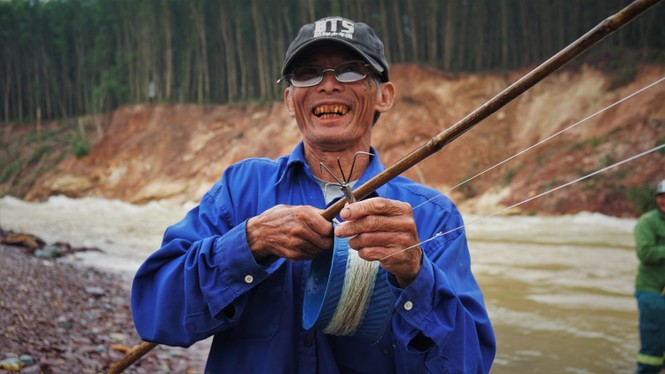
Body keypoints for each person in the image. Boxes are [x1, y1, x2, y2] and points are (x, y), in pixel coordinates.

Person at [131, 16, 495, 373]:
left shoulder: (432, 215)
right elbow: (153, 312)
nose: (329, 84)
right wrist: (248, 244)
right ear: (290, 100)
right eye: (308, 73)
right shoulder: (241, 188)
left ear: (384, 95)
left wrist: (415, 276)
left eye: (351, 70)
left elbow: (470, 364)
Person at [633, 179, 665, 374]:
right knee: (652, 347)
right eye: (661, 197)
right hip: (650, 291)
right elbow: (645, 253)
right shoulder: (647, 221)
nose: (664, 201)